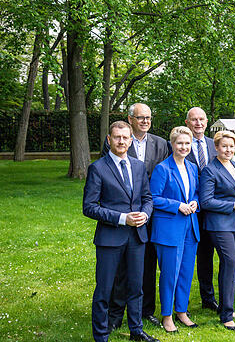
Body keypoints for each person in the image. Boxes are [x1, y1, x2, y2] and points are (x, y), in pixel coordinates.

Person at [82, 121, 157, 342]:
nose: (121, 141)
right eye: (117, 137)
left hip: (137, 237)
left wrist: (145, 214)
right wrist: (122, 218)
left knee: (136, 287)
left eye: (125, 138)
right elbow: (89, 207)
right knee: (104, 290)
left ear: (131, 140)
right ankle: (101, 335)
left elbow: (147, 198)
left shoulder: (138, 166)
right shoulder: (98, 168)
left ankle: (136, 330)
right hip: (110, 238)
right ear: (109, 140)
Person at [103, 103, 170, 329]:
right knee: (122, 268)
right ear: (130, 119)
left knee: (148, 264)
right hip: (123, 212)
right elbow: (109, 175)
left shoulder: (161, 144)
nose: (145, 121)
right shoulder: (118, 141)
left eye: (148, 118)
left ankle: (145, 310)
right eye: (140, 117)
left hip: (151, 211)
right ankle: (116, 313)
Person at [198, 130, 235, 330]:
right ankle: (226, 314)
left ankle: (224, 306)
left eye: (231, 146)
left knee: (229, 265)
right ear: (216, 147)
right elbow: (206, 201)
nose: (228, 150)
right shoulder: (210, 170)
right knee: (229, 263)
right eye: (224, 146)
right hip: (218, 224)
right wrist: (233, 206)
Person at [149, 126, 200, 333]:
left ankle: (182, 311)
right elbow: (153, 198)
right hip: (169, 228)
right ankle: (167, 315)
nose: (184, 147)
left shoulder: (192, 168)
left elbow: (195, 192)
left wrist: (195, 202)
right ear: (172, 144)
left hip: (190, 227)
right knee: (170, 273)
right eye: (180, 143)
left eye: (187, 143)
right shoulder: (162, 168)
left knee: (186, 272)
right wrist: (177, 205)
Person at [184, 107, 220, 313]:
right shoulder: (181, 144)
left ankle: (208, 298)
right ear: (187, 122)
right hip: (189, 209)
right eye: (194, 120)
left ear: (207, 122)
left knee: (207, 256)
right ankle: (182, 302)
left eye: (201, 119)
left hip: (211, 209)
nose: (198, 123)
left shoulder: (213, 145)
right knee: (187, 256)